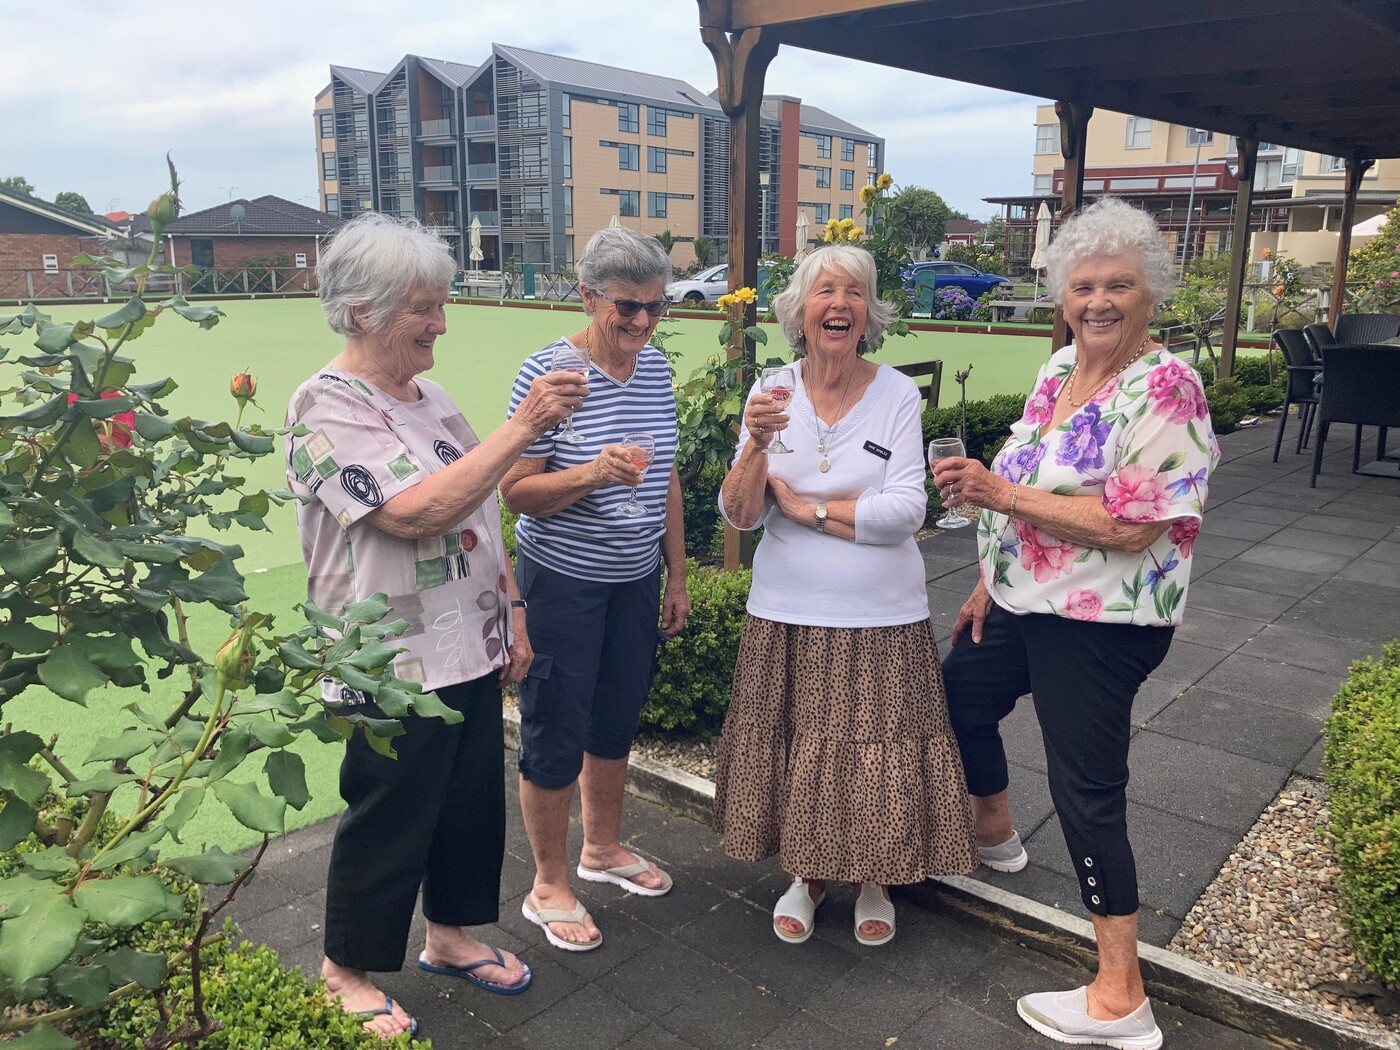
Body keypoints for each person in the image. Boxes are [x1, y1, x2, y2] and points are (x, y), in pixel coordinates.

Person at [285, 213, 583, 1039]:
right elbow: (413, 513)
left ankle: (450, 937)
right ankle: (344, 970)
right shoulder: (322, 406)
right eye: (424, 307)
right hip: (386, 657)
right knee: (389, 811)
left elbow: (480, 512)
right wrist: (524, 427)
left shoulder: (434, 399)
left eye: (440, 304)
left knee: (465, 805)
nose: (441, 324)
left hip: (467, 641)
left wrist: (513, 609)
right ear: (362, 312)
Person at [933, 197, 1219, 1050]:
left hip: (1102, 621)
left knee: (1086, 790)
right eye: (1083, 286)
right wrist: (988, 579)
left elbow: (1133, 526)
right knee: (959, 692)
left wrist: (996, 492)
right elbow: (1031, 486)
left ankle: (1121, 995)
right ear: (1062, 295)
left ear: (1150, 294)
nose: (1098, 302)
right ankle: (995, 831)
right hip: (1025, 598)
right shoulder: (1060, 369)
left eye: (1118, 285)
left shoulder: (1167, 387)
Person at [712, 244, 979, 947]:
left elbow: (907, 512)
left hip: (882, 614)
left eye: (854, 292)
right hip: (785, 610)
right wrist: (755, 447)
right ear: (800, 312)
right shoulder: (771, 391)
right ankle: (806, 875)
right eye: (825, 291)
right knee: (802, 749)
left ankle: (874, 879)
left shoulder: (895, 394)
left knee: (876, 752)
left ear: (869, 312)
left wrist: (808, 512)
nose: (840, 304)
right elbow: (740, 514)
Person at [501, 226, 690, 952]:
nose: (642, 322)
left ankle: (602, 849)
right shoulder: (548, 374)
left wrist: (676, 574)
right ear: (587, 296)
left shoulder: (657, 369)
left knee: (616, 716)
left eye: (655, 306)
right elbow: (516, 492)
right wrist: (591, 474)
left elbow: (666, 474)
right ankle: (548, 883)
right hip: (563, 582)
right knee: (554, 726)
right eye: (626, 307)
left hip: (634, 578)